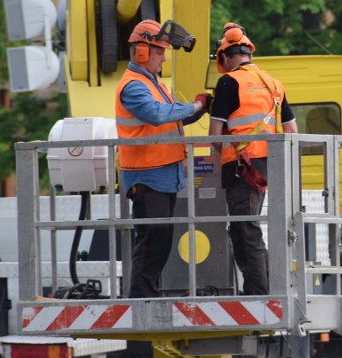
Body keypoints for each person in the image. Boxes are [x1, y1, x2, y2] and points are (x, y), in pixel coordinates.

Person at [116, 19, 212, 298]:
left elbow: (170, 115)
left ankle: (148, 292)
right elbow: (157, 114)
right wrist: (194, 105)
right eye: (159, 52)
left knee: (160, 239)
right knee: (151, 241)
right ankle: (142, 296)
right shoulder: (133, 86)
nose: (164, 57)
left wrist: (199, 109)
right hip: (147, 175)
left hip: (162, 175)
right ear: (142, 52)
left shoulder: (151, 83)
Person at [208, 23, 297, 295]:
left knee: (245, 229)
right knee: (244, 228)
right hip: (266, 166)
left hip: (240, 166)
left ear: (224, 56)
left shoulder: (228, 82)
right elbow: (291, 132)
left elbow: (215, 135)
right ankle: (260, 287)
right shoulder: (273, 83)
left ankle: (258, 292)